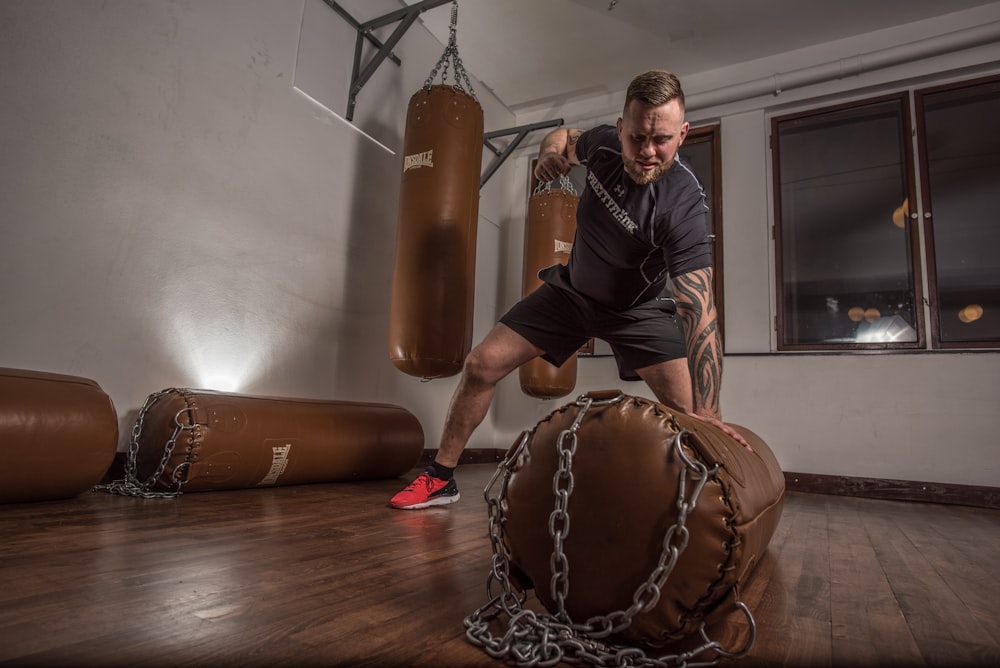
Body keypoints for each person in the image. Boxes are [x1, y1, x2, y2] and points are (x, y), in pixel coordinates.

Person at [390, 69, 748, 510]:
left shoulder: (683, 205)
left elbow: (699, 309)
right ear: (620, 129)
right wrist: (547, 154)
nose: (648, 152)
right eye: (637, 138)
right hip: (571, 294)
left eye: (663, 140)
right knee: (481, 365)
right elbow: (561, 137)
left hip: (638, 311)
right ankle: (441, 478)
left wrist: (709, 413)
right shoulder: (601, 146)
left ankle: (714, 506)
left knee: (693, 414)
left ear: (683, 134)